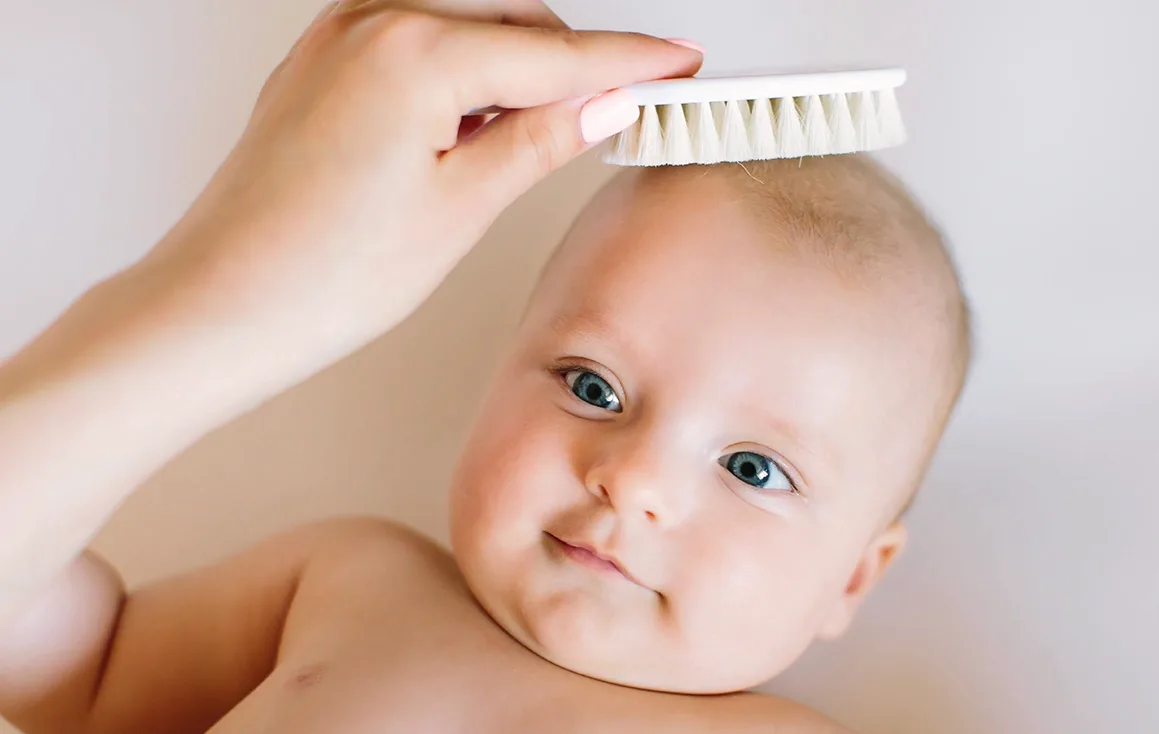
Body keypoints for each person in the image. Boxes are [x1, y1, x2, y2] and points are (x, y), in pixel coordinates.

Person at [0, 1, 970, 732]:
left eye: (753, 467)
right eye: (593, 386)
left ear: (854, 575)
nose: (632, 479)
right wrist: (197, 302)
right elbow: (61, 676)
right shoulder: (346, 582)